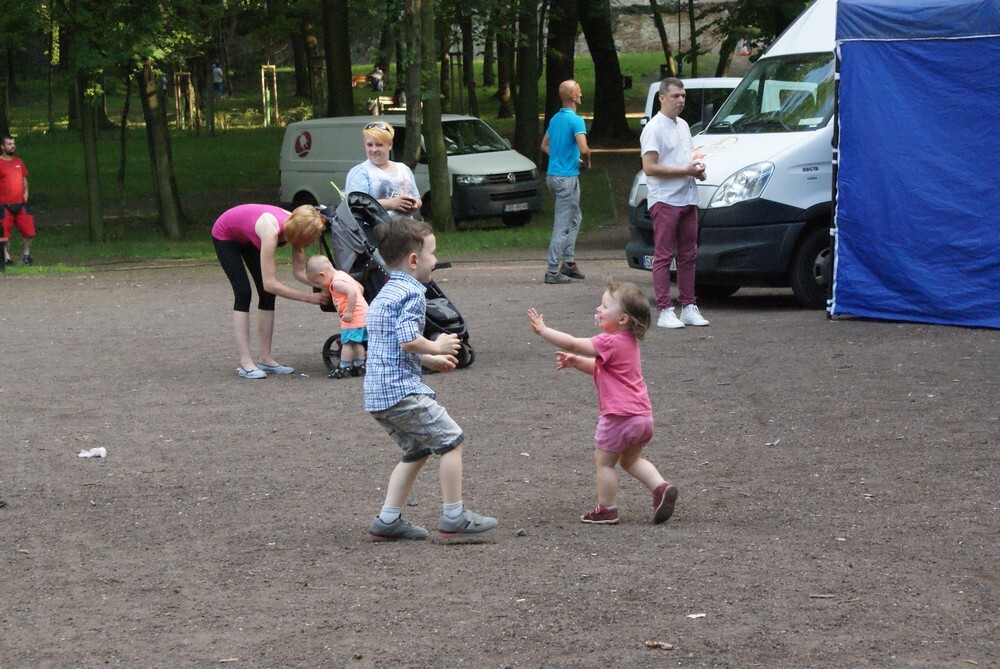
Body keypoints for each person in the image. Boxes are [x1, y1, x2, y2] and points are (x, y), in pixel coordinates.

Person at [364, 216, 497, 541]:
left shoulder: (385, 292)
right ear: (414, 260)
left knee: (418, 450)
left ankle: (388, 520)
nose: (435, 261)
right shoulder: (412, 292)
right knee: (452, 441)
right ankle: (454, 516)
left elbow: (392, 346)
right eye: (432, 254)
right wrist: (436, 344)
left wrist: (432, 361)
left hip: (379, 394)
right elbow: (409, 339)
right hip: (400, 392)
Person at [528, 280, 679, 525]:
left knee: (605, 463)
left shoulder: (609, 341)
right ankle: (661, 487)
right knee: (631, 460)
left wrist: (544, 331)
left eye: (605, 306)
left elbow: (574, 343)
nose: (599, 309)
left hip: (618, 417)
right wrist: (576, 362)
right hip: (642, 417)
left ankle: (607, 508)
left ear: (623, 319)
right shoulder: (628, 343)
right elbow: (604, 370)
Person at [211, 204, 329, 379]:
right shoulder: (271, 231)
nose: (306, 245)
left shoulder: (301, 224)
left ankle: (265, 359)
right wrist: (307, 297)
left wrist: (326, 284)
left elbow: (298, 272)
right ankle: (245, 363)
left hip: (248, 233)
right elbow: (270, 283)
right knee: (243, 293)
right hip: (226, 234)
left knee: (267, 296)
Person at [640, 77, 710, 328]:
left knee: (688, 255)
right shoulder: (654, 128)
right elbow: (649, 168)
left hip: (687, 197)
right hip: (665, 199)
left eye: (683, 96)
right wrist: (686, 171)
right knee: (663, 255)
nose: (681, 100)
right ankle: (665, 309)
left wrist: (696, 172)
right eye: (675, 96)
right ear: (662, 98)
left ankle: (689, 306)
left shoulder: (683, 125)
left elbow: (683, 161)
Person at [540, 80, 591, 285]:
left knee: (575, 217)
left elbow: (544, 145)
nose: (581, 94)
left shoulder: (555, 119)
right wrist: (586, 162)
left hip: (553, 177)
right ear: (572, 96)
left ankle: (568, 263)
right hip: (567, 179)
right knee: (562, 224)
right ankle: (552, 271)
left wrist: (562, 159)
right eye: (579, 91)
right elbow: (585, 149)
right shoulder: (576, 121)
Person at [306, 254, 368, 379]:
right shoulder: (343, 275)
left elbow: (351, 292)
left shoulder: (336, 283)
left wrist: (349, 311)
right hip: (363, 314)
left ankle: (344, 367)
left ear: (322, 275)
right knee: (357, 342)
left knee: (347, 343)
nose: (321, 286)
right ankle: (359, 365)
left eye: (318, 282)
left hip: (353, 317)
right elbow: (359, 288)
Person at [345, 121, 422, 218]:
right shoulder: (360, 172)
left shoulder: (404, 169)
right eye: (369, 145)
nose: (373, 149)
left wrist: (414, 204)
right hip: (374, 231)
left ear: (390, 145)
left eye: (379, 145)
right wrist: (391, 204)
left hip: (406, 230)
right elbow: (356, 205)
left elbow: (417, 198)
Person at [0, 135, 35, 266]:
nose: (12, 146)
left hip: (21, 204)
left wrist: (26, 193)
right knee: (3, 235)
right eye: (9, 144)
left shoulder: (19, 162)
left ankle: (26, 256)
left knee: (29, 231)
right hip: (4, 205)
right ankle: (6, 257)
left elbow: (24, 180)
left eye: (13, 143)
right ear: (2, 147)